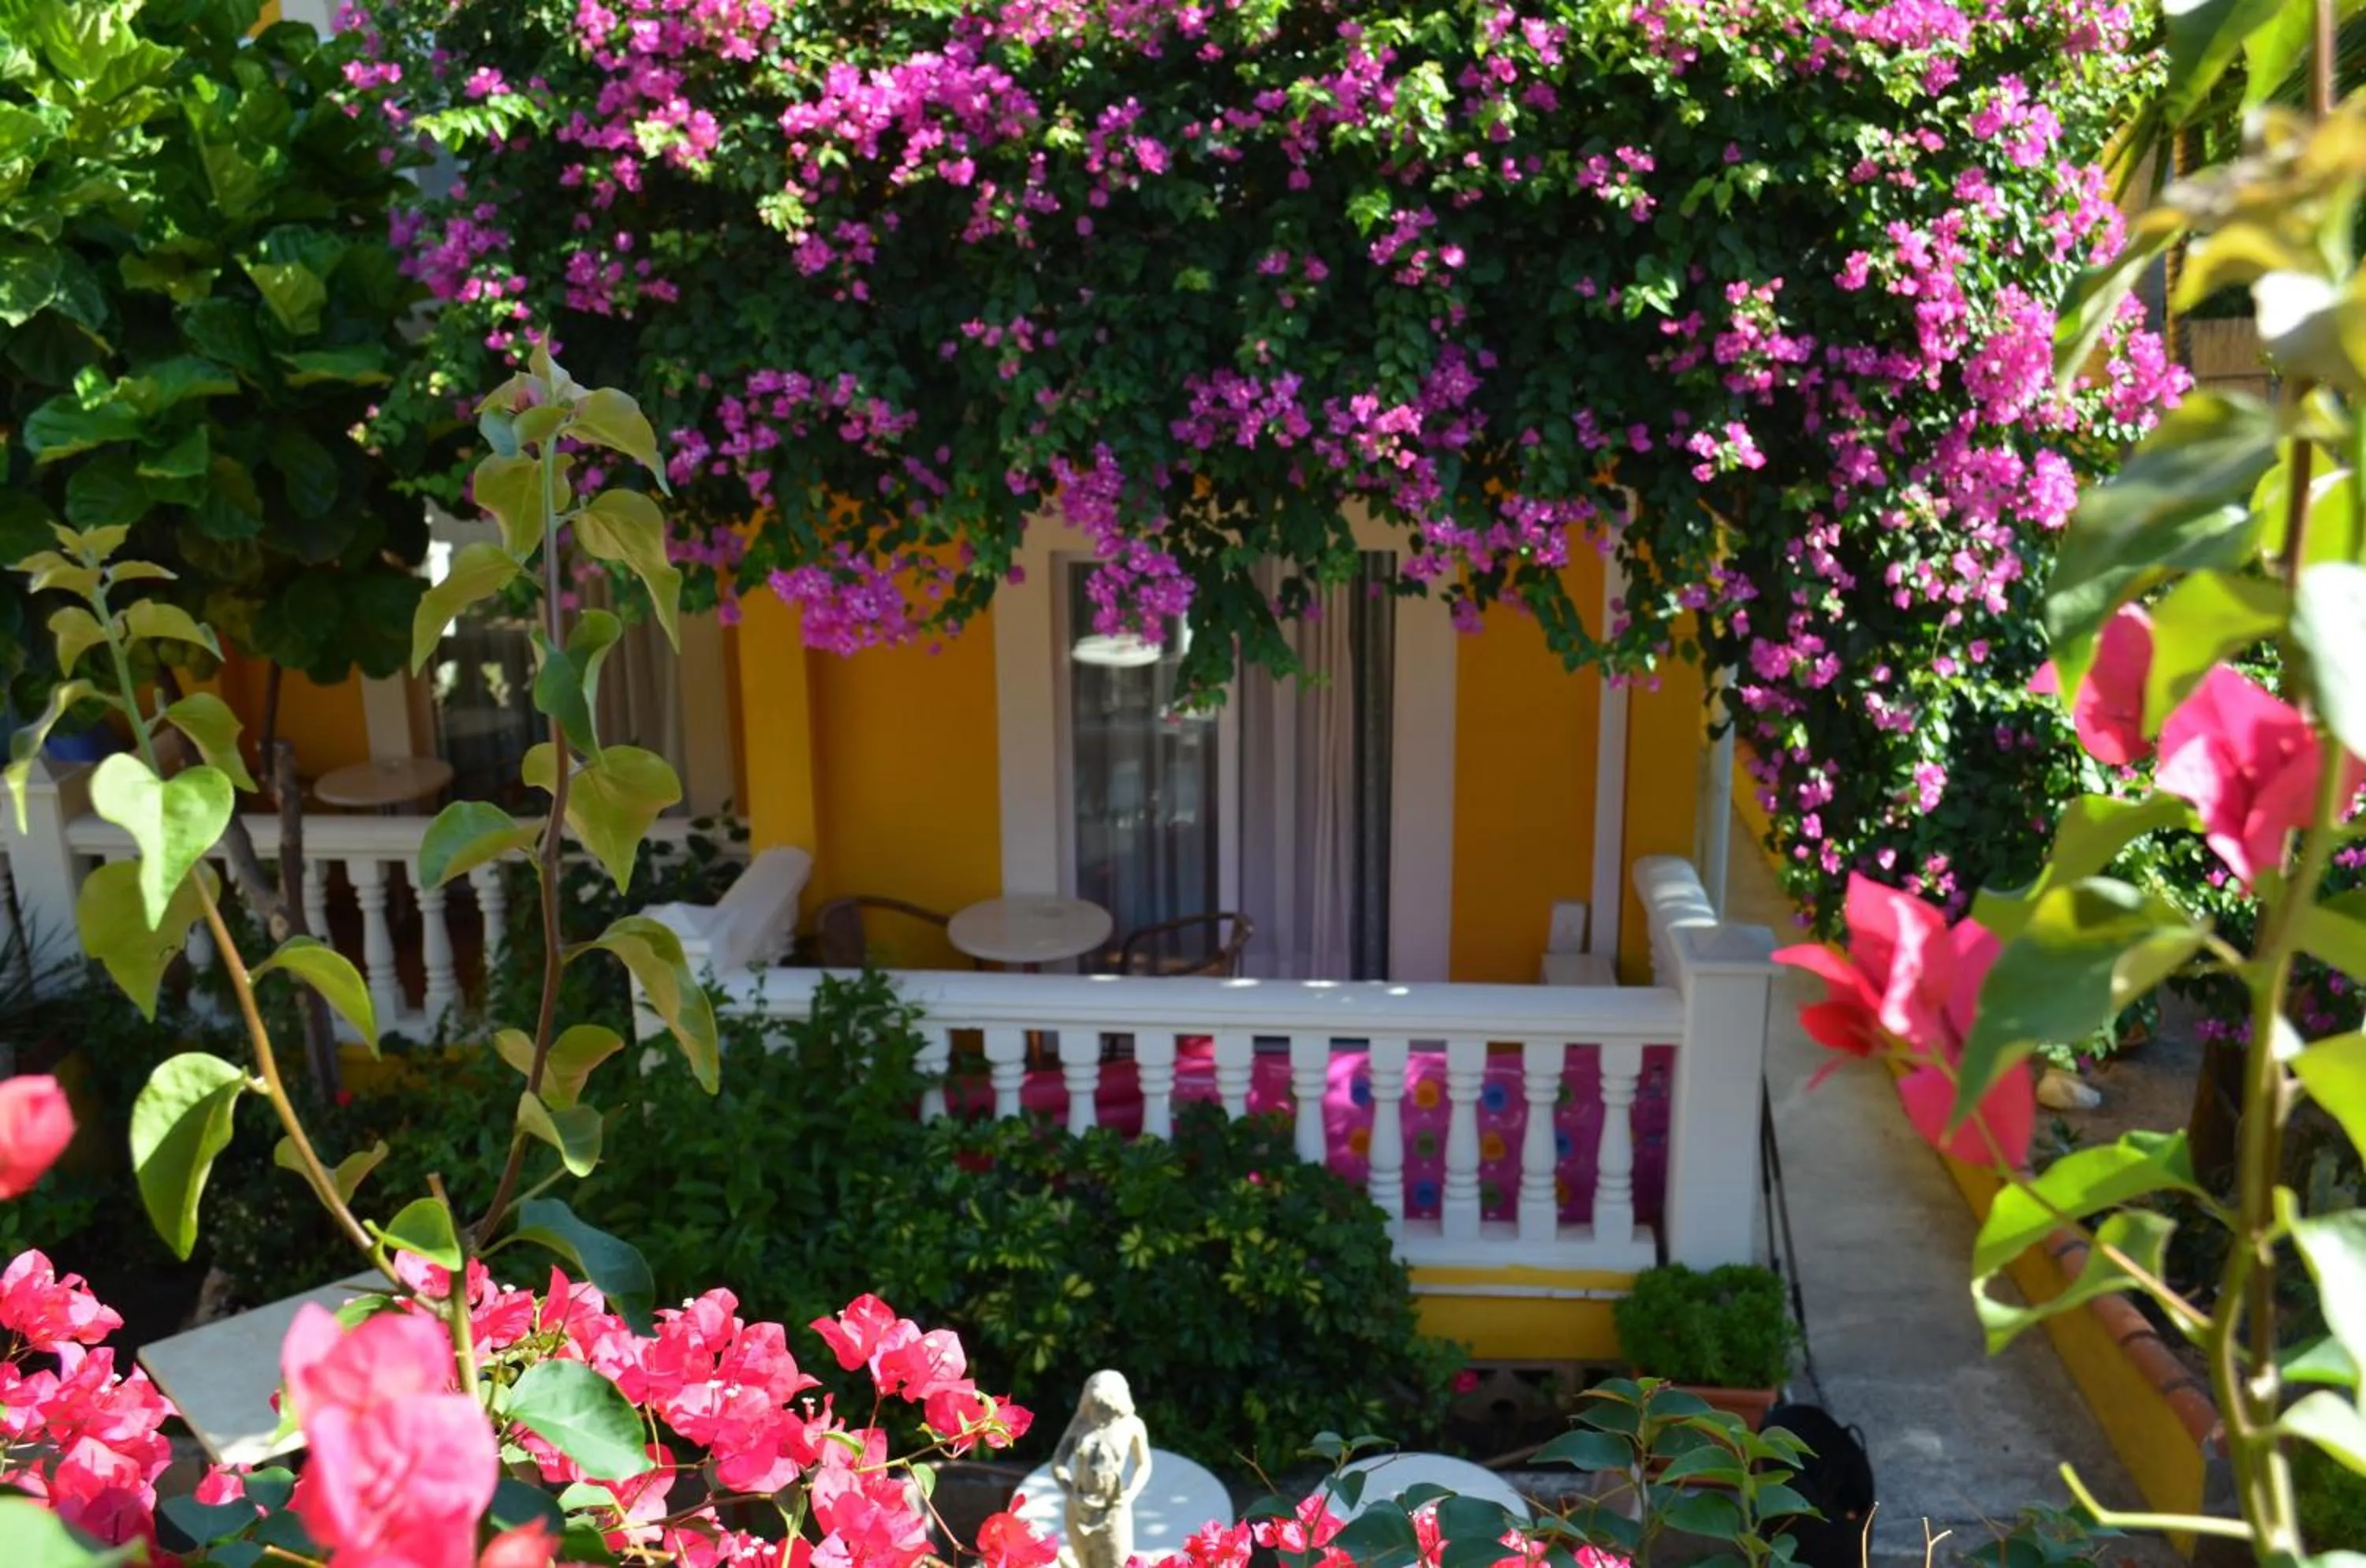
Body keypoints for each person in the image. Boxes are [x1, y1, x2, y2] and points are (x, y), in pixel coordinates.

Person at [1050, 1370, 1152, 1568]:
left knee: (1118, 1562)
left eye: (1106, 1409)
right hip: (1078, 1507)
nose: (1100, 1415)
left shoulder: (1133, 1425)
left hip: (1113, 1508)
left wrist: (1131, 1493)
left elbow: (1144, 1464)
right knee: (1084, 1561)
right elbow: (1058, 1461)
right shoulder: (1081, 1423)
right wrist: (1069, 1489)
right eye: (1095, 1407)